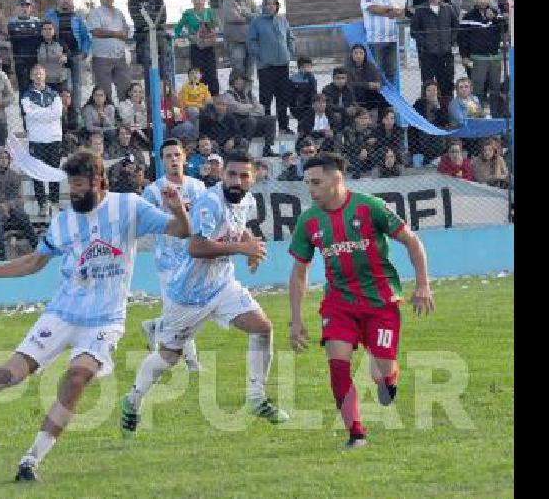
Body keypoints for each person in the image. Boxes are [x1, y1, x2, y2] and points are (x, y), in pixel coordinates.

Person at [0, 150, 192, 483]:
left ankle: (30, 461)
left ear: (98, 181)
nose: (72, 193)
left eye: (78, 185)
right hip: (61, 314)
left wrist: (178, 209)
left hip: (105, 321)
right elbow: (33, 262)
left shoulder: (128, 207)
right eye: (69, 186)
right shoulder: (64, 221)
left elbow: (180, 230)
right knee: (11, 374)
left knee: (77, 378)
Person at [121, 150, 289, 438]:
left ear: (253, 178)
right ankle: (133, 400)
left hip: (223, 285)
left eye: (244, 175)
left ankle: (255, 398)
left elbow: (239, 228)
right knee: (169, 357)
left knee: (262, 327)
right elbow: (196, 247)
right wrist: (240, 249)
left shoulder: (245, 200)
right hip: (188, 295)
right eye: (232, 175)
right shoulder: (210, 203)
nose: (237, 180)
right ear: (222, 176)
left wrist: (249, 245)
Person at [288, 152, 434, 449]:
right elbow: (299, 272)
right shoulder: (308, 221)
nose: (311, 189)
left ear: (336, 179)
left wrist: (422, 285)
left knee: (381, 365)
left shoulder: (369, 207)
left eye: (316, 182)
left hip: (380, 302)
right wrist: (296, 318)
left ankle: (387, 378)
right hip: (338, 304)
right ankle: (356, 434)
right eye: (307, 183)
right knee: (338, 365)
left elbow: (412, 241)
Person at [139, 138, 207, 372]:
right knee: (182, 311)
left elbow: (206, 218)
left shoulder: (198, 187)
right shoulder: (153, 191)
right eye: (168, 157)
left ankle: (155, 327)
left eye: (177, 155)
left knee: (194, 310)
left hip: (192, 256)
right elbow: (145, 220)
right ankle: (192, 363)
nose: (174, 160)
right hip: (167, 260)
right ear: (162, 161)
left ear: (185, 158)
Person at [247, 0, 295, 135]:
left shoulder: (282, 20)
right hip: (266, 66)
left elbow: (290, 37)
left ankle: (283, 127)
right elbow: (251, 41)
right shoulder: (257, 22)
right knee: (266, 98)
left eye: (273, 4)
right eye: (267, 4)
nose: (270, 6)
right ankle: (266, 129)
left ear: (277, 6)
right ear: (263, 6)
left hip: (282, 65)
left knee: (282, 97)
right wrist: (261, 55)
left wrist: (289, 52)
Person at [21, 64, 63, 217]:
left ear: (45, 75)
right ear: (32, 77)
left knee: (53, 171)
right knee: (37, 173)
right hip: (36, 139)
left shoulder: (54, 94)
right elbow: (29, 113)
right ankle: (42, 204)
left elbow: (57, 113)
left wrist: (40, 113)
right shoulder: (26, 95)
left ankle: (54, 202)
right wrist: (47, 113)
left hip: (54, 138)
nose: (38, 76)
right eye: (35, 74)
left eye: (41, 73)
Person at [410, 0, 460, 105]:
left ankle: (446, 115)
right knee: (428, 85)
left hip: (446, 54)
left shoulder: (448, 8)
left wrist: (451, 41)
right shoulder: (420, 10)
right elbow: (414, 31)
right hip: (428, 55)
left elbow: (456, 27)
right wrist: (425, 43)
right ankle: (428, 115)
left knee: (447, 85)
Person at [44, 0, 91, 114]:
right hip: (57, 56)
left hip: (75, 55)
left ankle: (75, 116)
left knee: (76, 88)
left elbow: (86, 37)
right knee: (63, 87)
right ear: (58, 0)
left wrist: (84, 53)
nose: (66, 1)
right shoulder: (50, 15)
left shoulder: (77, 17)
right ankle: (61, 116)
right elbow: (44, 33)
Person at [458, 0, 505, 115]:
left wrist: (494, 18)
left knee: (495, 89)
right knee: (478, 90)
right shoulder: (468, 17)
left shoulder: (496, 14)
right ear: (475, 0)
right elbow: (462, 39)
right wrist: (464, 56)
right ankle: (478, 116)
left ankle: (495, 116)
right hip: (478, 59)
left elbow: (504, 29)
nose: (482, 1)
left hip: (495, 58)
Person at [0, 146, 39, 261]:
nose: (4, 160)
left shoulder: (14, 175)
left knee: (23, 216)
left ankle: (37, 247)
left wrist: (8, 205)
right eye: (1, 158)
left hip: (11, 207)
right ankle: (1, 256)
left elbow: (20, 198)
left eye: (6, 158)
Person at [128, 0, 170, 109]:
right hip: (144, 37)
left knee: (164, 69)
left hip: (159, 35)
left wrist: (152, 23)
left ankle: (167, 101)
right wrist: (151, 22)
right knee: (149, 71)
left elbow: (162, 17)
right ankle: (151, 102)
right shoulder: (132, 1)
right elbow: (138, 20)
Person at [88, 0, 131, 103]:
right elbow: (96, 31)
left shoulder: (119, 12)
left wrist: (125, 33)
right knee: (104, 91)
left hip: (120, 57)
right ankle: (108, 117)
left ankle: (124, 115)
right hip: (102, 58)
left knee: (125, 88)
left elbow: (126, 30)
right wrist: (116, 34)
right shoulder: (95, 12)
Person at [175, 0, 219, 97]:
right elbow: (178, 27)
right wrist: (184, 35)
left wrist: (212, 32)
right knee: (198, 73)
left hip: (208, 46)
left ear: (204, 1)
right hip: (196, 47)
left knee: (211, 73)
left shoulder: (209, 12)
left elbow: (217, 26)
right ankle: (198, 96)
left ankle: (214, 97)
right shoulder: (188, 13)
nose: (199, 2)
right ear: (192, 1)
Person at [361, 0, 404, 84]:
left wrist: (385, 10)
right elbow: (373, 9)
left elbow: (398, 12)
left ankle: (389, 96)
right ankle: (377, 97)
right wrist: (389, 9)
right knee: (376, 71)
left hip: (391, 40)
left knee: (391, 70)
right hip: (375, 40)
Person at [223, 71, 277, 156]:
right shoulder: (228, 94)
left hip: (252, 120)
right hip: (238, 124)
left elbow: (261, 109)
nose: (239, 81)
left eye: (241, 79)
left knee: (271, 119)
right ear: (232, 81)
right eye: (236, 79)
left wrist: (248, 109)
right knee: (251, 120)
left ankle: (267, 149)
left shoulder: (249, 94)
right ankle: (243, 149)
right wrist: (251, 107)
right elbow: (235, 108)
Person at [220, 0, 258, 81]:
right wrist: (249, 17)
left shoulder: (250, 1)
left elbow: (258, 15)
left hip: (250, 40)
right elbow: (233, 17)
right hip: (235, 41)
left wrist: (244, 13)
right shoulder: (228, 0)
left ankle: (248, 94)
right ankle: (236, 94)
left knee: (249, 70)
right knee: (238, 68)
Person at [7, 0, 43, 97]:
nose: (24, 9)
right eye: (22, 6)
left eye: (27, 6)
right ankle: (24, 112)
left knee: (36, 88)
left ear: (30, 8)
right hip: (20, 61)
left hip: (35, 60)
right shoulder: (12, 23)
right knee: (23, 89)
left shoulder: (37, 22)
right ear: (17, 8)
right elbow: (10, 41)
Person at [410, 79, 450, 163]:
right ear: (424, 92)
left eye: (434, 90)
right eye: (429, 90)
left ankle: (435, 158)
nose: (432, 93)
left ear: (437, 91)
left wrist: (438, 107)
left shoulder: (443, 103)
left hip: (437, 132)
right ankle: (428, 159)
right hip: (423, 132)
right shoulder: (419, 103)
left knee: (439, 134)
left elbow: (444, 121)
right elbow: (415, 122)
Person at [347, 44, 388, 114]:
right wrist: (367, 84)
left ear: (365, 55)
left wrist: (376, 84)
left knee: (383, 99)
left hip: (370, 96)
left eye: (361, 53)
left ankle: (381, 120)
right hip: (355, 96)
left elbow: (379, 82)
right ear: (351, 55)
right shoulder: (347, 67)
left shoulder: (370, 66)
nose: (358, 56)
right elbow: (349, 84)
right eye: (356, 53)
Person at [342, 107, 377, 178]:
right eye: (362, 118)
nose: (365, 121)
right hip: (350, 156)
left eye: (366, 118)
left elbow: (374, 145)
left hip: (365, 156)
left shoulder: (371, 130)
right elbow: (352, 146)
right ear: (356, 119)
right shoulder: (348, 130)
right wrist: (365, 147)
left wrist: (366, 148)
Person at [36, 20, 69, 93]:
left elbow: (69, 57)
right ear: (41, 32)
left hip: (59, 81)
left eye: (50, 29)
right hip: (43, 81)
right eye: (45, 29)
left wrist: (65, 57)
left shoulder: (61, 43)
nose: (47, 31)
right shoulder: (37, 44)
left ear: (54, 31)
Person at [322, 67, 357, 133]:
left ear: (346, 79)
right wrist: (345, 110)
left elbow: (353, 101)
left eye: (343, 78)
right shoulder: (327, 89)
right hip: (332, 113)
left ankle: (354, 133)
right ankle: (336, 134)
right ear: (333, 79)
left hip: (347, 113)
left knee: (360, 113)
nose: (340, 81)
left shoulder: (349, 89)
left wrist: (353, 107)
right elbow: (329, 105)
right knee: (337, 115)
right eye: (338, 78)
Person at [289, 56, 317, 124]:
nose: (306, 69)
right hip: (297, 103)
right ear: (299, 67)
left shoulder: (311, 77)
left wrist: (310, 78)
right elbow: (290, 93)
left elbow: (313, 91)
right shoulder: (293, 78)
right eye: (304, 67)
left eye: (308, 66)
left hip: (308, 103)